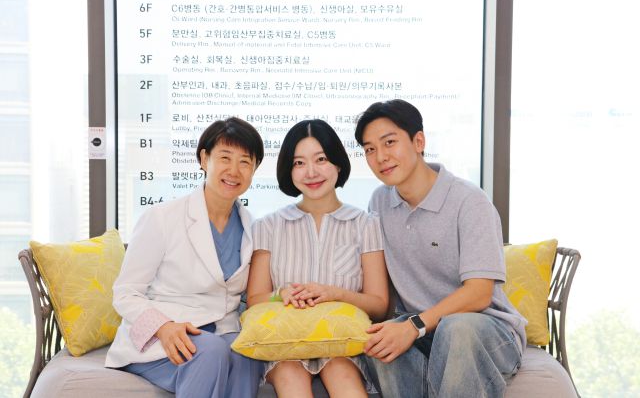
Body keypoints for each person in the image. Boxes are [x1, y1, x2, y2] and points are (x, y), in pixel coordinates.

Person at [354, 99, 527, 397]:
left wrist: (414, 326)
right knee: (378, 345)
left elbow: (479, 293)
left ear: (419, 141)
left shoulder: (469, 201)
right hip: (424, 331)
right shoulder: (379, 202)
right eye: (370, 149)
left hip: (485, 330)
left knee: (455, 329)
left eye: (389, 142)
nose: (381, 157)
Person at [105, 117, 265, 398]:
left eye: (245, 162)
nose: (234, 170)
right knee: (212, 351)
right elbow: (125, 293)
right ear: (204, 159)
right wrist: (163, 327)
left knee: (246, 352)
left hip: (221, 333)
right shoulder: (162, 218)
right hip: (164, 338)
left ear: (254, 170)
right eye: (225, 158)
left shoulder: (252, 227)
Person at [246, 119, 389, 398]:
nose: (311, 172)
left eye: (321, 159)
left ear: (338, 163)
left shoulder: (365, 224)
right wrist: (281, 294)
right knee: (289, 375)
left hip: (344, 346)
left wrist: (335, 294)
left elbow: (379, 305)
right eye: (299, 163)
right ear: (289, 170)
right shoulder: (268, 226)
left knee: (342, 374)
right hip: (284, 345)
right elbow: (254, 299)